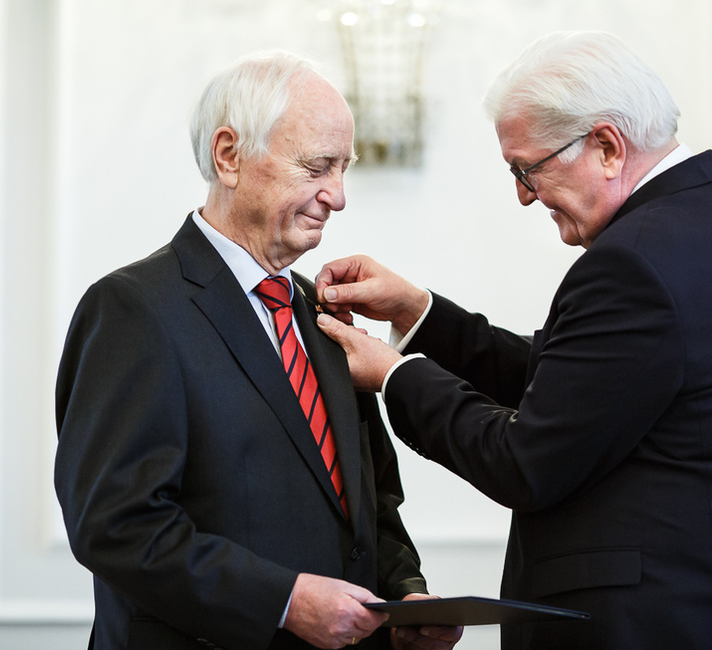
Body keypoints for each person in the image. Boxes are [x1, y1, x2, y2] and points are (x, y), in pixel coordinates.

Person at [314, 31, 712, 650]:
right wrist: (421, 313)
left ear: (607, 146)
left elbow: (528, 463)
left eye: (526, 168)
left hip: (657, 625)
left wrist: (393, 374)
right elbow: (582, 388)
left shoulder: (633, 262)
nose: (524, 194)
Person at [54, 51, 462, 650]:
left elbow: (369, 499)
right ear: (229, 156)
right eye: (318, 166)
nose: (339, 195)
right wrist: (285, 602)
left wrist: (404, 596)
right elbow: (117, 527)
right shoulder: (132, 309)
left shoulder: (320, 310)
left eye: (343, 168)